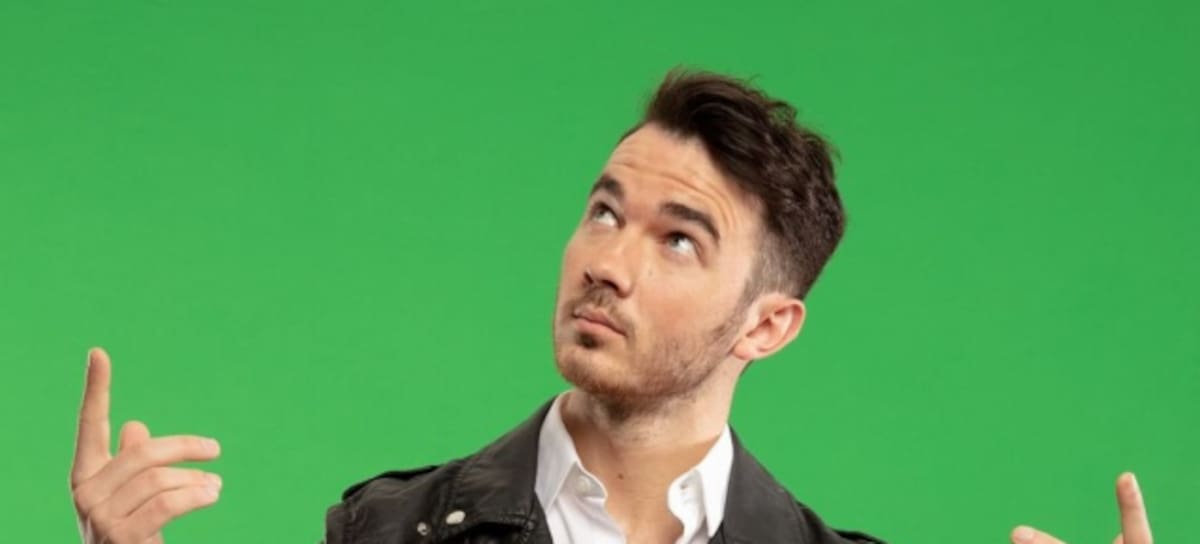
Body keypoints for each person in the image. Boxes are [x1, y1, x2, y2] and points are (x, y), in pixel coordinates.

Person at [68, 69, 1155, 544]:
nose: (607, 262)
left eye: (678, 238)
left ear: (767, 324)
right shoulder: (388, 533)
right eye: (603, 212)